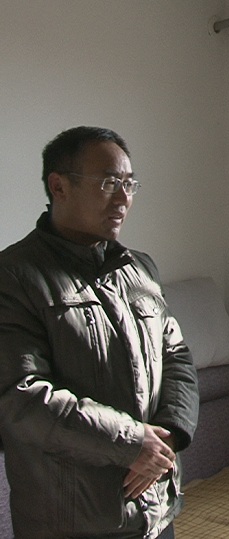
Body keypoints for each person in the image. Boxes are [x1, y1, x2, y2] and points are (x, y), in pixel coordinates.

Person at [0, 126, 200, 538]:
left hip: (156, 509)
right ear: (59, 186)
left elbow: (176, 354)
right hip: (70, 519)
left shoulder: (140, 268)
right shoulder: (15, 276)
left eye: (130, 184)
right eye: (109, 183)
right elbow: (22, 396)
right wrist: (133, 443)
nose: (124, 198)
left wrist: (168, 438)